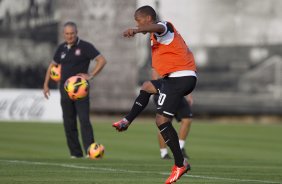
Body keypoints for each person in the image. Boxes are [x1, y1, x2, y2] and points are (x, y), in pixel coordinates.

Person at [112, 5, 197, 184]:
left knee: (161, 121)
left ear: (148, 19)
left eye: (139, 21)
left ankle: (180, 164)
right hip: (173, 79)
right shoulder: (154, 38)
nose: (137, 24)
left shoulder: (164, 27)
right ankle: (127, 121)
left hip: (180, 78)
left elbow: (159, 27)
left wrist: (136, 30)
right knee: (147, 86)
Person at [43, 21, 106, 158]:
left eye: (72, 33)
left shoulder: (85, 46)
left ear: (76, 33)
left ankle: (91, 152)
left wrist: (91, 75)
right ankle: (75, 154)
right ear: (63, 34)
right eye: (67, 33)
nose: (69, 36)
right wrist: (46, 84)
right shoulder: (61, 48)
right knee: (68, 122)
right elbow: (52, 66)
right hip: (65, 91)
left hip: (81, 92)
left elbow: (102, 60)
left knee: (84, 121)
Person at [155, 94, 193, 160]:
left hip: (178, 94)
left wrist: (189, 95)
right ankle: (164, 153)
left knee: (187, 118)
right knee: (164, 122)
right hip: (164, 93)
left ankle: (180, 148)